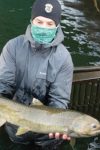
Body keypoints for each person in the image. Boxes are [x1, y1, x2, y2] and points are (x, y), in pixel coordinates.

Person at [0, 0, 74, 149]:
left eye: (49, 24)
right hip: (15, 125)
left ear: (57, 26)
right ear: (31, 21)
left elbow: (59, 99)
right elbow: (3, 85)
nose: (43, 27)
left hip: (47, 134)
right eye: (39, 21)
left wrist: (58, 125)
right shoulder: (13, 47)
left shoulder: (64, 58)